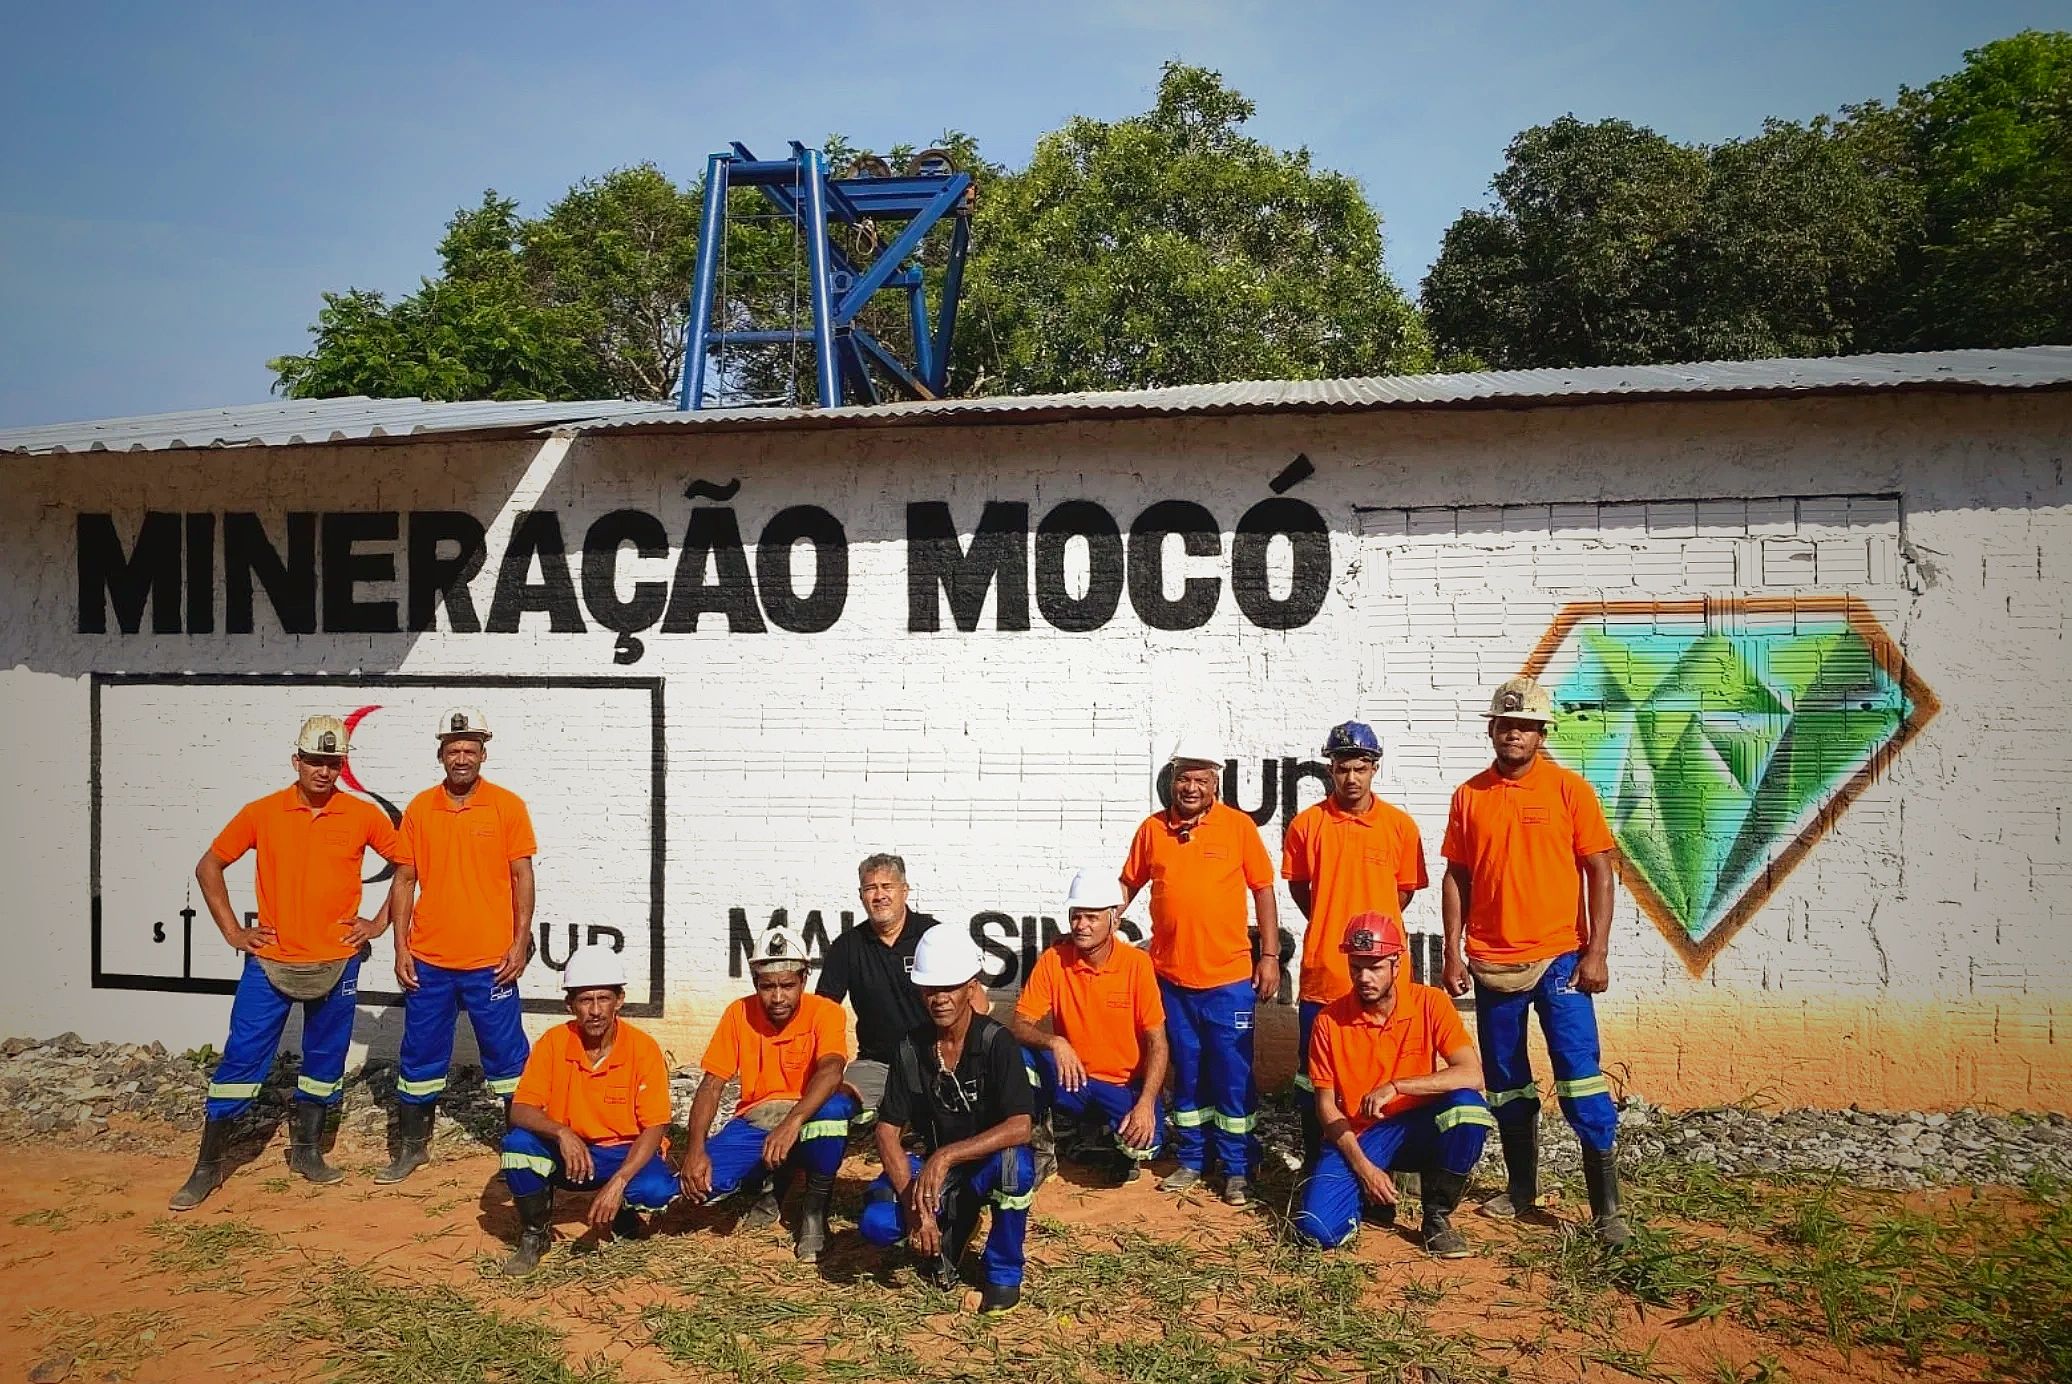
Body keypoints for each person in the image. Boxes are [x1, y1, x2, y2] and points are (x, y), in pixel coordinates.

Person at [170, 715, 409, 1211]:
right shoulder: (262, 812)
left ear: (342, 765)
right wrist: (234, 932)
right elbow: (208, 865)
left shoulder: (361, 815)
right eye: (315, 761)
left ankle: (307, 1151)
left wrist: (379, 922)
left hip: (338, 961)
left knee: (325, 1058)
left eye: (333, 762)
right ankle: (208, 1165)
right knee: (242, 1057)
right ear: (296, 760)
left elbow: (409, 866)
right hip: (271, 962)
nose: (324, 771)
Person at [1441, 677, 1629, 1246]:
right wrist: (1452, 949)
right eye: (1506, 724)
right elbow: (1457, 875)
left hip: (1560, 960)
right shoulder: (1469, 795)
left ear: (1541, 733)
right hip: (1493, 964)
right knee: (1506, 1082)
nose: (1515, 734)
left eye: (1526, 726)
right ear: (1492, 730)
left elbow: (1599, 869)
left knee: (1580, 1075)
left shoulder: (1570, 790)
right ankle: (1521, 1190)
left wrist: (1595, 951)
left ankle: (1607, 1210)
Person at [378, 707, 536, 1184]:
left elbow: (522, 876)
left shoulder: (507, 805)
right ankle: (412, 1148)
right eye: (453, 750)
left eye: (470, 749)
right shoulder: (420, 809)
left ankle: (522, 1153)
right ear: (441, 755)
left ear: (483, 754)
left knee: (508, 1060)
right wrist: (401, 948)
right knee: (420, 1054)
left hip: (492, 962)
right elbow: (403, 881)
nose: (461, 758)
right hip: (430, 960)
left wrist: (520, 942)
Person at [1120, 735, 1280, 1206]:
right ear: (1173, 781)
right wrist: (1105, 926)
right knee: (1185, 1072)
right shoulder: (1153, 830)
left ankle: (1237, 1168)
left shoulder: (1237, 827)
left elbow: (1264, 890)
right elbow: (1128, 884)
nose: (1191, 787)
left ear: (1216, 784)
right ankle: (1192, 1159)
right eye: (1184, 778)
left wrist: (1268, 956)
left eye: (1201, 780)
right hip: (1170, 979)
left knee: (1232, 1074)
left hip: (1228, 980)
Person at [858, 924, 1034, 1315]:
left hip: (980, 1164)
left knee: (1015, 1167)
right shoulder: (910, 1048)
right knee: (878, 1223)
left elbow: (1021, 1125)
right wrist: (915, 1208)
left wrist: (947, 1156)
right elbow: (887, 1131)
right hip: (938, 1173)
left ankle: (1002, 1274)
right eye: (929, 989)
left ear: (970, 987)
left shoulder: (995, 1042)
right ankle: (949, 1225)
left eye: (949, 986)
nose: (939, 998)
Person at [1294, 916, 1495, 1256]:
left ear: (1397, 964)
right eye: (1356, 967)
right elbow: (1326, 1107)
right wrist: (1365, 1170)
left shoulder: (1431, 1003)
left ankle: (1437, 1218)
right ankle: (1369, 1195)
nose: (1364, 978)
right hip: (1360, 1136)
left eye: (1374, 968)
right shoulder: (1328, 1021)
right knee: (1317, 1230)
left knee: (1467, 1108)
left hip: (1416, 1128)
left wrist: (1398, 1086)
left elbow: (1473, 1074)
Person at [1283, 720, 1428, 1168]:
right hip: (1324, 974)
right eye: (1342, 767)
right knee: (1315, 1081)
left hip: (1385, 978)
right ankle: (1318, 1166)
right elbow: (1301, 889)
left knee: (1391, 1075)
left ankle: (1395, 1164)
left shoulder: (1400, 826)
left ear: (1374, 768)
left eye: (1360, 768)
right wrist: (1331, 921)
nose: (1351, 777)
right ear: (1330, 768)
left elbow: (1402, 893)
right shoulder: (1307, 825)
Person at [498, 947, 677, 1276]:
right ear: (570, 1005)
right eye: (585, 1000)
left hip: (622, 1154)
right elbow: (520, 1110)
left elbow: (655, 1126)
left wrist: (619, 1181)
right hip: (572, 1153)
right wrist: (562, 1132)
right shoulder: (553, 1042)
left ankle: (622, 1209)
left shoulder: (643, 1048)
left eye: (603, 998)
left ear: (619, 1001)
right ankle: (535, 1235)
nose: (595, 1010)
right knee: (518, 1147)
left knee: (656, 1191)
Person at [679, 929, 855, 1262]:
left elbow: (832, 1069)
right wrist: (695, 1148)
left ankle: (814, 1212)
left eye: (787, 985)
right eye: (767, 986)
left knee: (834, 1111)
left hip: (806, 1115)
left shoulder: (826, 1012)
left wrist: (792, 1123)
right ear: (755, 983)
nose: (777, 997)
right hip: (757, 1117)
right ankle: (772, 1181)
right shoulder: (738, 1013)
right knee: (690, 1189)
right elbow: (712, 1083)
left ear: (804, 979)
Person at [1007, 871, 1168, 1185]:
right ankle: (1041, 1150)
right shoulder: (1055, 960)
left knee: (1144, 1145)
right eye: (1076, 916)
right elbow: (1019, 1025)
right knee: (1018, 1056)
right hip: (1073, 1080)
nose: (1081, 925)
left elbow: (1158, 1043)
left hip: (1122, 1086)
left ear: (1114, 921)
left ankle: (1107, 1138)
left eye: (1091, 917)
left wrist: (1146, 1103)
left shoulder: (1137, 965)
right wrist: (1055, 1042)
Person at [813, 853, 946, 1125]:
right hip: (876, 1064)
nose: (879, 895)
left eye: (887, 886)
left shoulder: (932, 936)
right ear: (861, 895)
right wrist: (827, 1066)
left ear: (905, 891)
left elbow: (972, 998)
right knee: (827, 1103)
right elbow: (822, 1012)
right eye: (870, 888)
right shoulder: (847, 946)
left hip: (935, 1060)